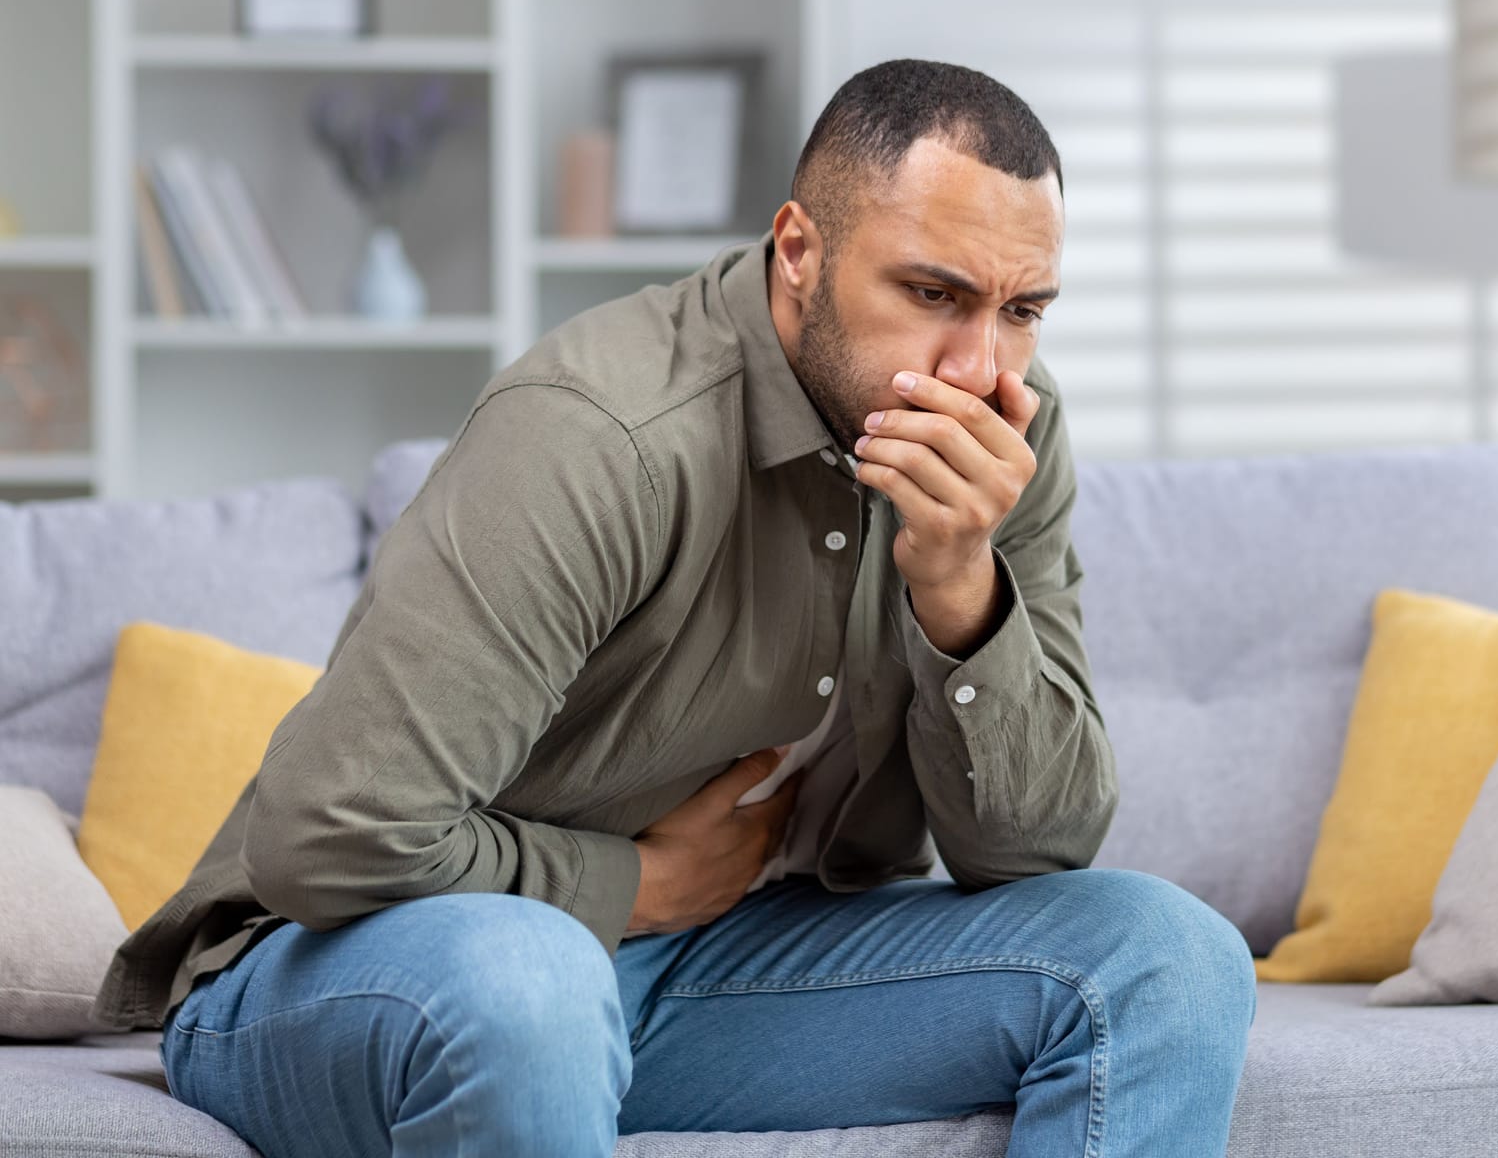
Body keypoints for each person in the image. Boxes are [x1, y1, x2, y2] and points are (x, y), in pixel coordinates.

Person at [91, 57, 1256, 1157]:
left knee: (1170, 960)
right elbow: (330, 834)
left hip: (719, 974)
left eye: (1023, 309)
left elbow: (1036, 850)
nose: (977, 367)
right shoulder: (600, 434)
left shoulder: (1013, 429)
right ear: (799, 248)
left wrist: (961, 586)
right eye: (932, 292)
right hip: (361, 971)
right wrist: (636, 887)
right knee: (529, 985)